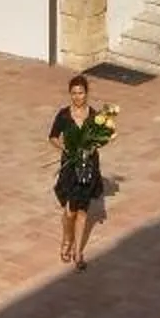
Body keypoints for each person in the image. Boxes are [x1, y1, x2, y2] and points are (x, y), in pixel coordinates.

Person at [48, 75, 110, 267]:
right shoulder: (64, 115)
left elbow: (102, 138)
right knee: (69, 212)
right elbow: (53, 137)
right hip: (70, 167)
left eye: (81, 93)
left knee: (82, 212)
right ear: (70, 94)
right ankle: (67, 239)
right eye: (74, 93)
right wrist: (64, 148)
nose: (77, 97)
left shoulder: (94, 117)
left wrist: (95, 146)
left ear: (86, 93)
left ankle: (77, 253)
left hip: (88, 167)